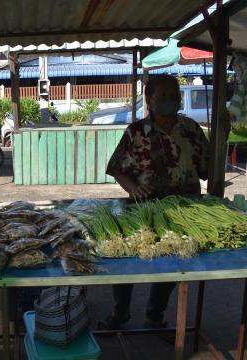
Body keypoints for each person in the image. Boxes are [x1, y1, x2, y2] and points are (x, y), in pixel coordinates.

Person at [99, 74, 209, 330]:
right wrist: (134, 187)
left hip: (184, 211)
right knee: (127, 261)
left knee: (172, 263)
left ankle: (154, 315)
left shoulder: (192, 129)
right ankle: (120, 313)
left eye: (175, 96)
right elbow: (116, 168)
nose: (171, 100)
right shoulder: (136, 132)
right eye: (163, 96)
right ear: (149, 100)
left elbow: (207, 167)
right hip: (143, 211)